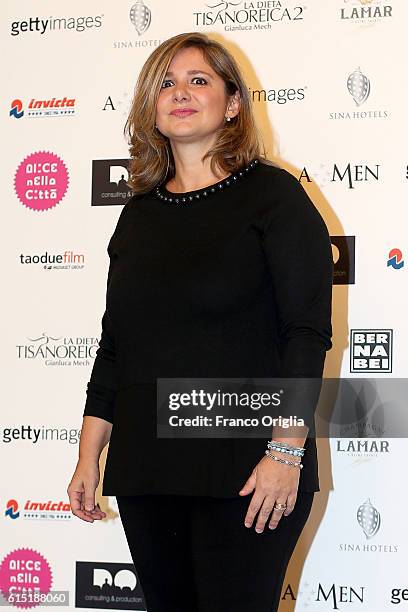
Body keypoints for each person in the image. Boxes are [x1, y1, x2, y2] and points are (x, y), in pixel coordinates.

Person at [67, 32, 333, 612]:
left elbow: (306, 334)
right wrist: (89, 456)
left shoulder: (275, 197)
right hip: (148, 468)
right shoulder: (138, 216)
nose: (179, 93)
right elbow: (116, 346)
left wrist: (286, 451)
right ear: (150, 107)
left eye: (198, 80)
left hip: (248, 466)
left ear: (233, 103)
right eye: (165, 82)